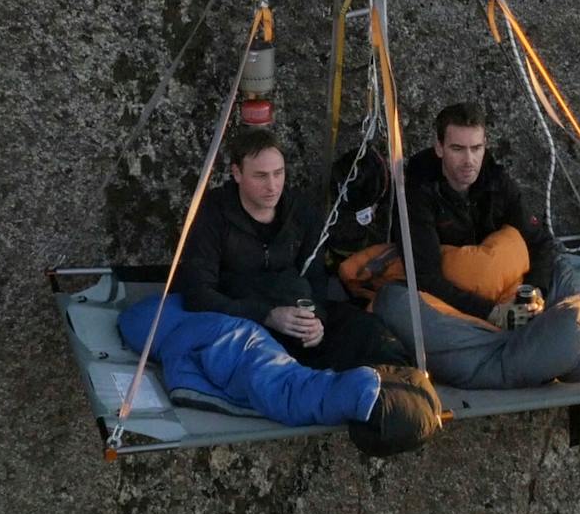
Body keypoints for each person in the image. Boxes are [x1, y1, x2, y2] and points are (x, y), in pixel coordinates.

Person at [180, 128, 405, 371]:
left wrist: (316, 319)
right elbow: (198, 292)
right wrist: (267, 315)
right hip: (242, 312)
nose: (272, 186)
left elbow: (315, 280)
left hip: (293, 307)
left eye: (279, 174)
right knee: (261, 353)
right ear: (237, 173)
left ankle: (395, 384)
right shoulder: (214, 213)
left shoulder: (301, 211)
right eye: (260, 176)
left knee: (367, 331)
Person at [402, 101, 559, 327]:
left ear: (485, 145)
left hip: (507, 282)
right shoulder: (419, 193)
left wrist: (534, 291)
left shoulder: (496, 181)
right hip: (456, 294)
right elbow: (425, 277)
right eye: (457, 149)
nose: (469, 161)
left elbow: (540, 241)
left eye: (476, 148)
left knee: (573, 306)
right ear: (439, 147)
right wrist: (492, 312)